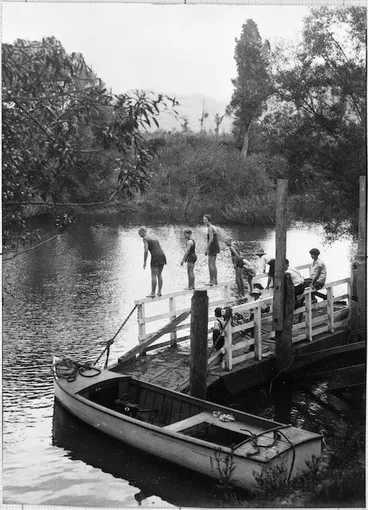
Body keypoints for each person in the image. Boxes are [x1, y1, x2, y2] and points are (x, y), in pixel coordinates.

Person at [138, 226, 167, 298]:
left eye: (140, 234)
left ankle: (153, 293)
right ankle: (159, 292)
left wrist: (144, 262)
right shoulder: (154, 237)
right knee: (159, 275)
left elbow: (146, 250)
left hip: (156, 256)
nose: (140, 236)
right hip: (162, 255)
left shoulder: (145, 238)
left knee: (153, 275)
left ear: (143, 232)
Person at [203, 214, 220, 286]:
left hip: (212, 247)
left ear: (209, 220)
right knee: (213, 263)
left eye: (205, 220)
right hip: (216, 246)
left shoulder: (210, 228)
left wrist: (207, 248)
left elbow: (211, 239)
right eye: (203, 220)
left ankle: (211, 281)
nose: (204, 222)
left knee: (210, 263)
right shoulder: (214, 227)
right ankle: (215, 280)